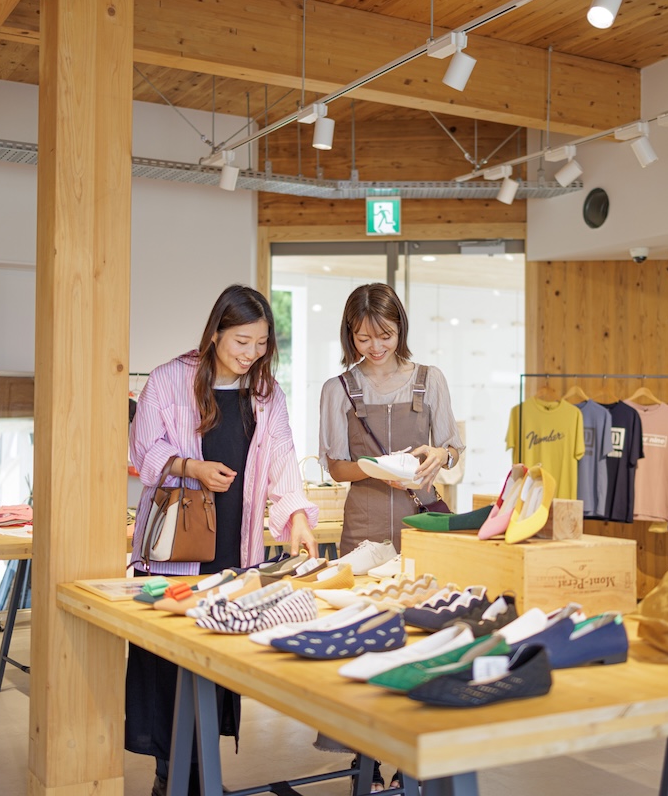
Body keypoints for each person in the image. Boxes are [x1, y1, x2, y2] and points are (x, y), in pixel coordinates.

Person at [127, 284, 318, 796]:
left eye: (260, 344)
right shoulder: (169, 380)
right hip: (177, 549)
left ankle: (198, 773)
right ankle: (170, 775)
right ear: (215, 334)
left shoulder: (265, 392)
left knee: (215, 657)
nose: (251, 353)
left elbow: (281, 458)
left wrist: (296, 515)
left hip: (234, 550)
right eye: (241, 342)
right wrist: (190, 466)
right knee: (170, 665)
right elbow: (144, 449)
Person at [319, 282, 464, 556]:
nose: (375, 347)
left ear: (401, 328)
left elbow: (453, 450)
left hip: (421, 519)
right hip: (363, 528)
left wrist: (441, 455)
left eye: (385, 335)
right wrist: (381, 469)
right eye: (363, 339)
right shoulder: (337, 389)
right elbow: (337, 469)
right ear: (350, 335)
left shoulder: (430, 379)